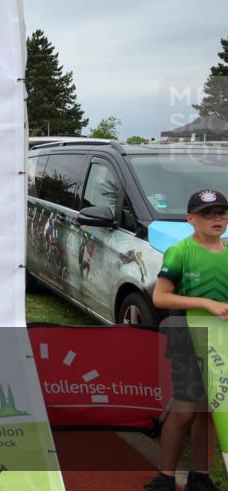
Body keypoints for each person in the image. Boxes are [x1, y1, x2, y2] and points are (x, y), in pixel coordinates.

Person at [146, 189, 228, 491]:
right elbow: (160, 296)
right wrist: (205, 304)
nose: (216, 218)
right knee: (185, 409)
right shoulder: (181, 251)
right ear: (190, 219)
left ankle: (200, 477)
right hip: (186, 335)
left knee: (210, 411)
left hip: (222, 341)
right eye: (207, 213)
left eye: (221, 212)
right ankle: (165, 477)